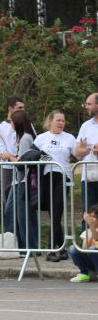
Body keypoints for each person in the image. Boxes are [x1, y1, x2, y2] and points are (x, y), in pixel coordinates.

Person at [35, 110, 77, 261]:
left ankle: (52, 250)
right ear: (50, 121)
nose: (61, 123)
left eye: (63, 121)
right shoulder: (41, 138)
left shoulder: (69, 138)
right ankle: (62, 249)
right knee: (53, 214)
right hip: (46, 177)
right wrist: (47, 158)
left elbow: (78, 154)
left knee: (57, 212)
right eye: (58, 120)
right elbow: (33, 153)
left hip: (62, 177)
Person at [6, 110, 39, 251]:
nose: (10, 124)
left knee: (24, 215)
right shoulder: (22, 137)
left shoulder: (25, 138)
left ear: (17, 122)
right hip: (20, 181)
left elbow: (23, 163)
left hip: (24, 181)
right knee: (14, 212)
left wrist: (9, 157)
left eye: (11, 121)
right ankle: (18, 244)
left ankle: (30, 247)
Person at [0, 96, 26, 230]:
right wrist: (13, 158)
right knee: (9, 203)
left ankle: (24, 235)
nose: (22, 110)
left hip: (24, 168)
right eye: (19, 108)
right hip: (8, 168)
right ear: (10, 109)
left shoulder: (27, 125)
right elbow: (1, 152)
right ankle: (11, 234)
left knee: (24, 201)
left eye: (23, 108)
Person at [74, 92, 98, 231]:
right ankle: (87, 243)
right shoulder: (86, 126)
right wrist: (86, 150)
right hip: (88, 179)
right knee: (88, 213)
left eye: (89, 104)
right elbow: (77, 154)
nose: (86, 107)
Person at [70, 206, 98, 282]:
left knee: (93, 249)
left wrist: (91, 225)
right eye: (90, 216)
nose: (91, 219)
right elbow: (84, 249)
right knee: (73, 248)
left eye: (94, 217)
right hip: (92, 263)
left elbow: (96, 238)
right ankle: (84, 273)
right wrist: (89, 234)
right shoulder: (88, 231)